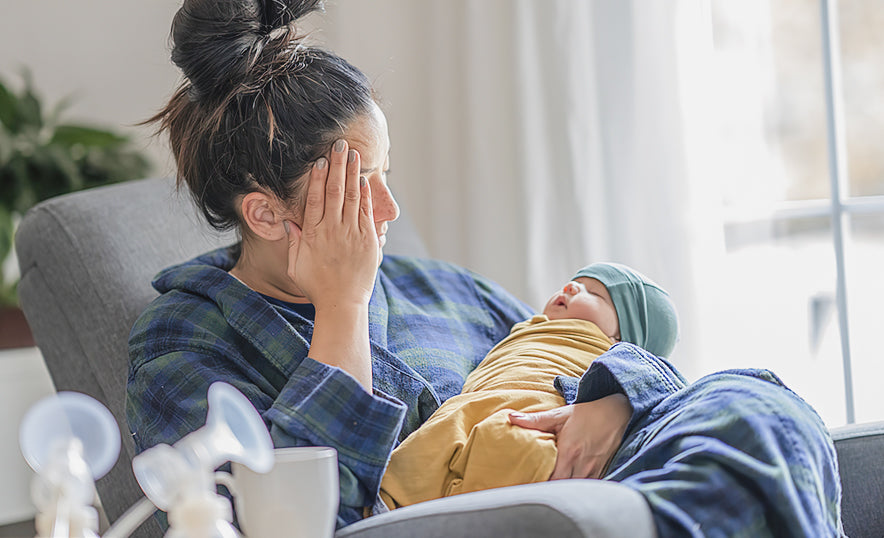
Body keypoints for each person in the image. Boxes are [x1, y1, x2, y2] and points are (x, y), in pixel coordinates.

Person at [127, 0, 844, 536]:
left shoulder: (445, 289)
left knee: (758, 404)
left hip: (611, 480)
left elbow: (562, 350)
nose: (390, 207)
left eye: (388, 173)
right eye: (359, 184)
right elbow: (282, 520)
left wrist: (614, 396)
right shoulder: (181, 342)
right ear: (266, 215)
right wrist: (342, 310)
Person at [379, 262, 678, 509]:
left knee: (517, 447)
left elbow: (653, 381)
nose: (571, 287)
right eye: (575, 281)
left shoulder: (613, 352)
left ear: (621, 337)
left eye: (596, 295)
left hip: (535, 410)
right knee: (412, 464)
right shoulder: (526, 327)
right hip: (473, 406)